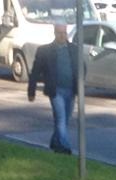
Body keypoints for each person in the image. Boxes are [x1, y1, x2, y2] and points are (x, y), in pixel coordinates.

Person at [27, 24, 79, 155]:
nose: (62, 36)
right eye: (60, 33)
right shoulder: (45, 51)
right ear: (55, 34)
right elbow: (35, 72)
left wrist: (80, 82)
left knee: (65, 120)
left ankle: (55, 143)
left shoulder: (73, 49)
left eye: (65, 33)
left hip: (71, 90)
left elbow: (81, 67)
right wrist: (31, 91)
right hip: (56, 91)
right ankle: (65, 148)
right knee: (61, 119)